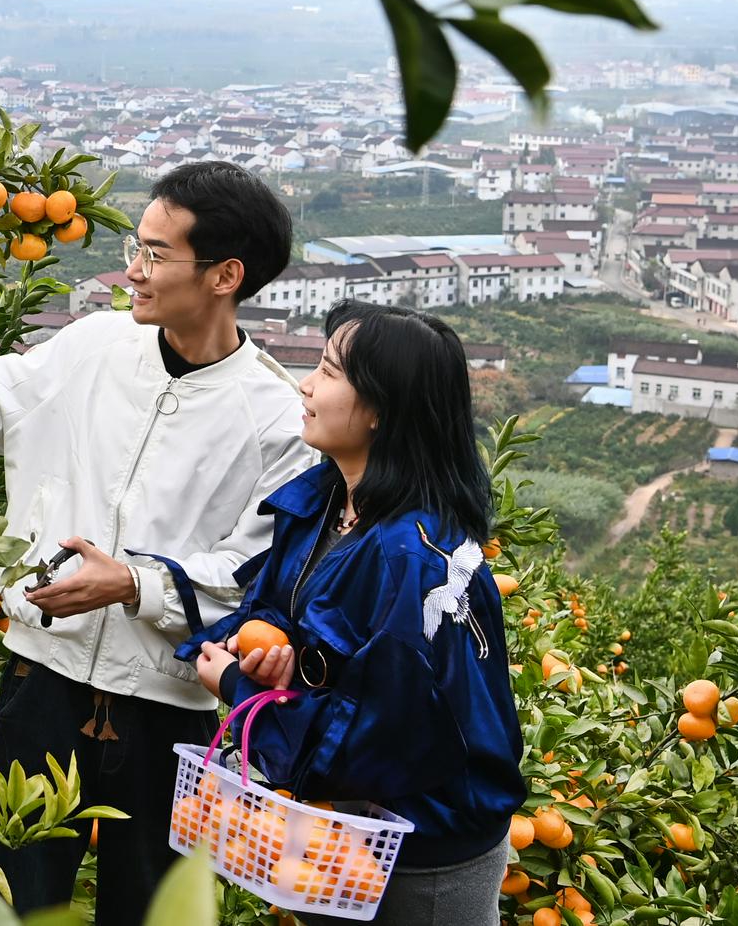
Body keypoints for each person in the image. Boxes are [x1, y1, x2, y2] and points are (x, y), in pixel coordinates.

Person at [0, 160, 316, 926]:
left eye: (158, 254)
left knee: (151, 912)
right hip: (44, 682)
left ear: (226, 274)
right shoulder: (93, 347)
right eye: (139, 245)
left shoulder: (274, 417)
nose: (134, 269)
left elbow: (250, 576)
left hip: (171, 711)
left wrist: (132, 584)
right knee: (7, 900)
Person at [193, 301, 525, 925]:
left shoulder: (416, 560)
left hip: (420, 850)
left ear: (380, 410)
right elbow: (279, 607)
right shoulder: (323, 501)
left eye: (328, 370)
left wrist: (239, 692)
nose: (307, 384)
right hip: (339, 823)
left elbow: (384, 737)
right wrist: (265, 653)